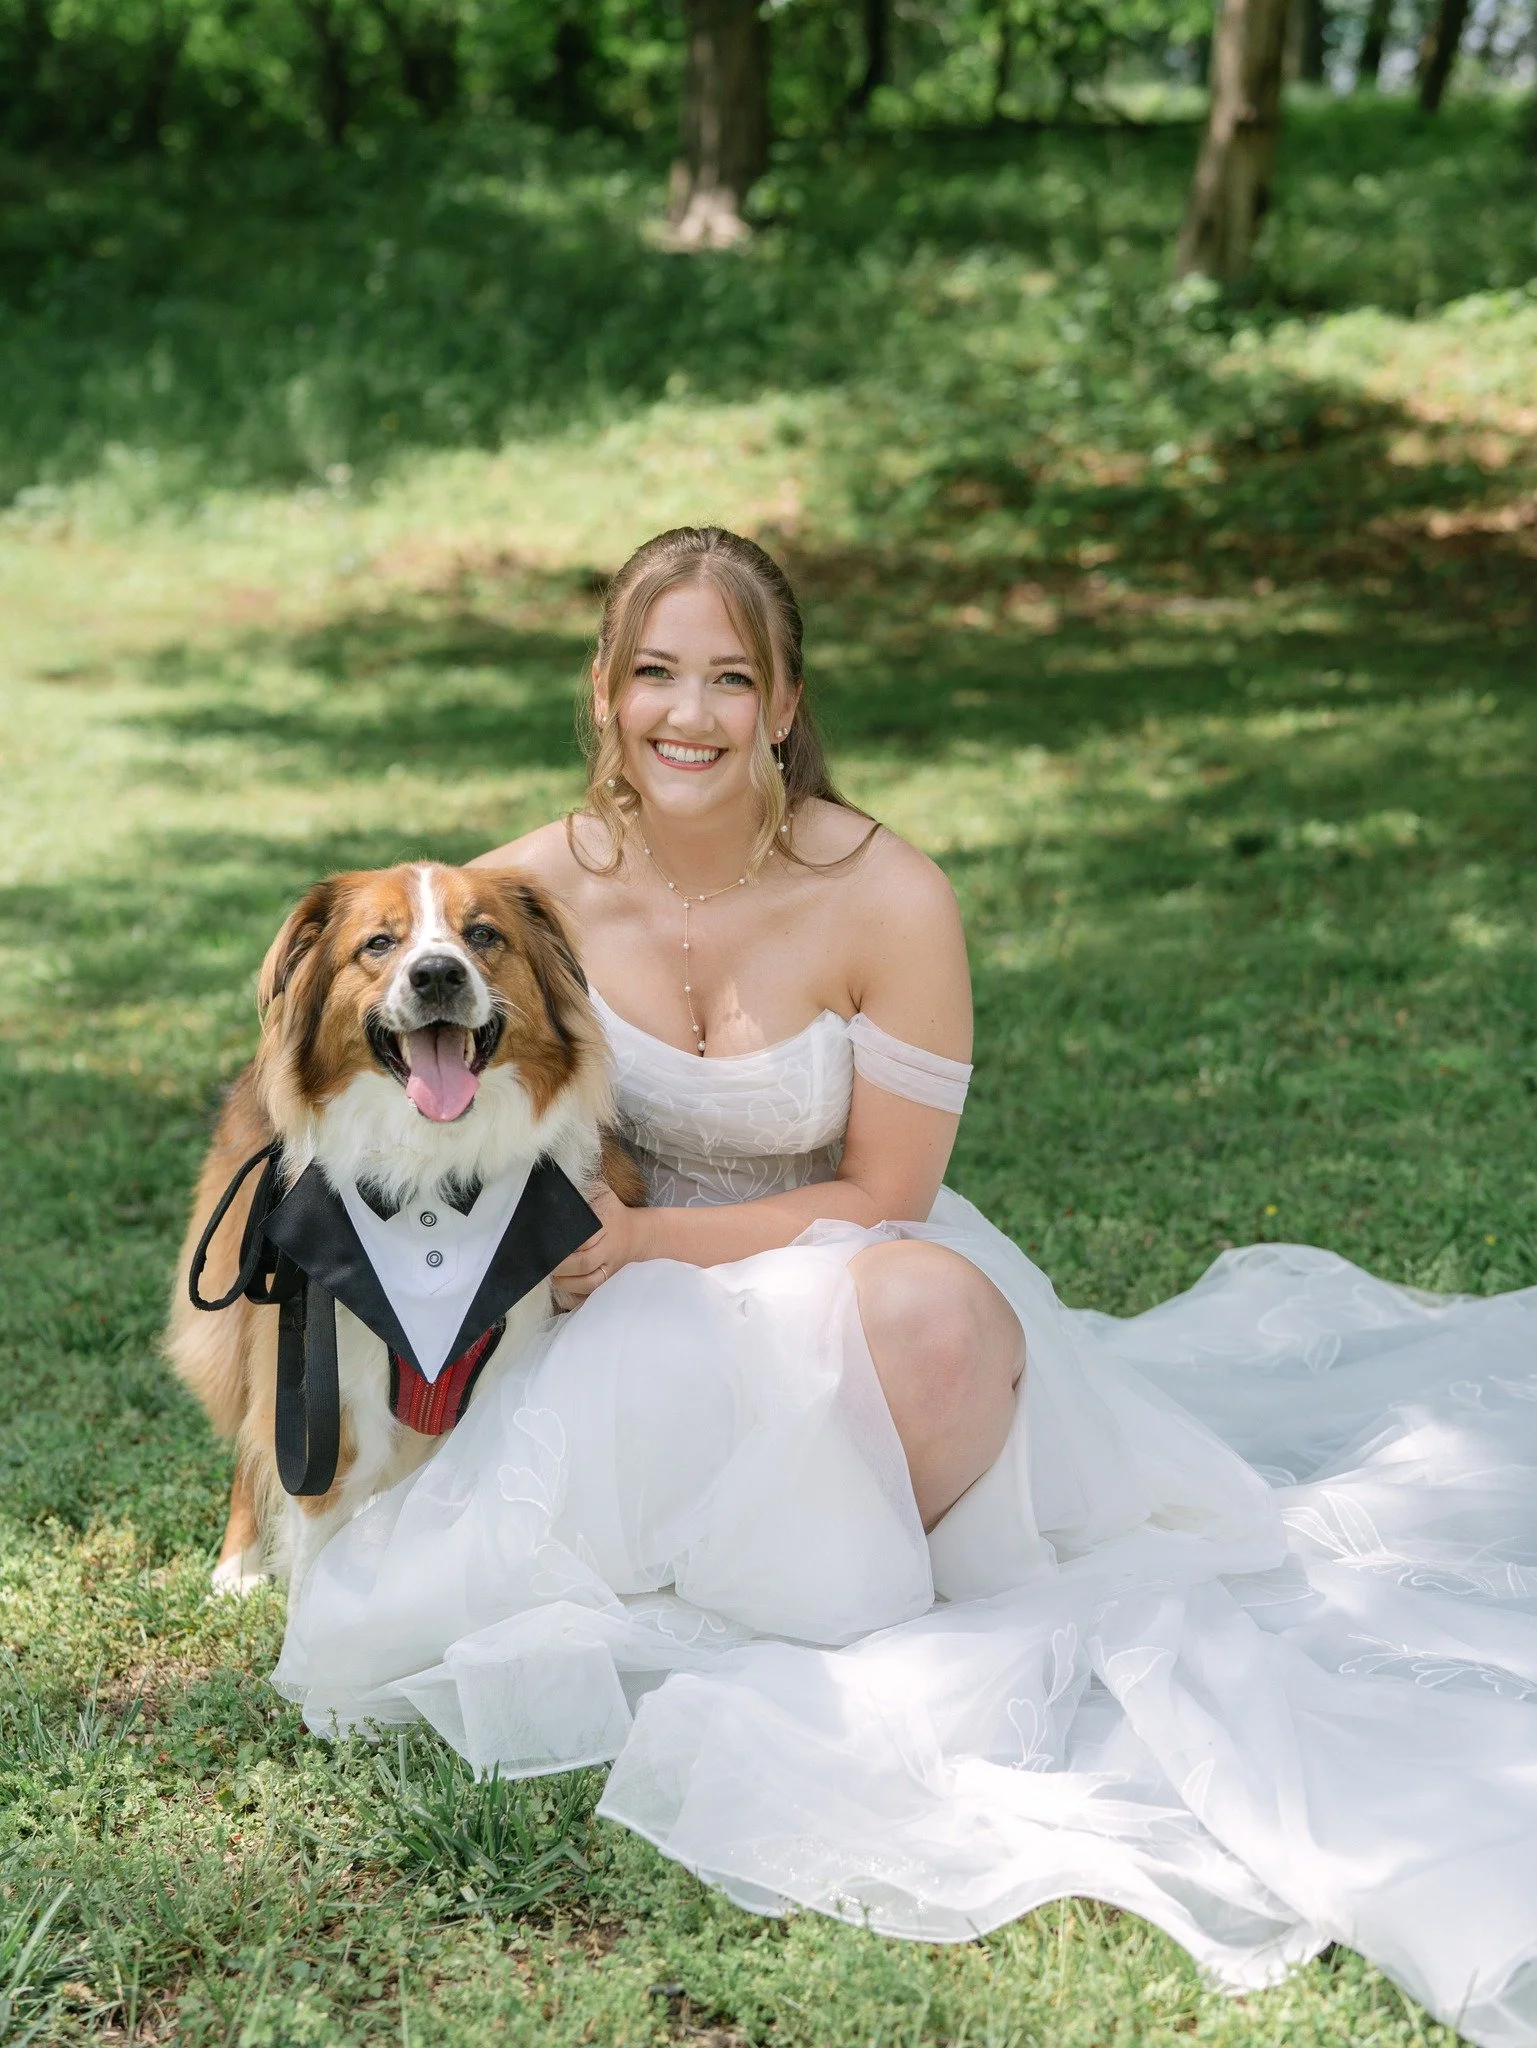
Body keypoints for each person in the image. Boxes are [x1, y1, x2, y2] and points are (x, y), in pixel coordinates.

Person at [274, 528, 1537, 2048]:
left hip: (835, 1256)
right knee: (601, 1439)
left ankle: (857, 1581)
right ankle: (752, 1577)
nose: (691, 714)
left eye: (732, 678)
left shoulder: (889, 894)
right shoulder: (521, 891)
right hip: (625, 1302)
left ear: (786, 701)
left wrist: (647, 1242)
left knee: (926, 1317)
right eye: (657, 673)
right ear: (604, 693)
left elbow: (888, 1195)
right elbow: (391, 1048)